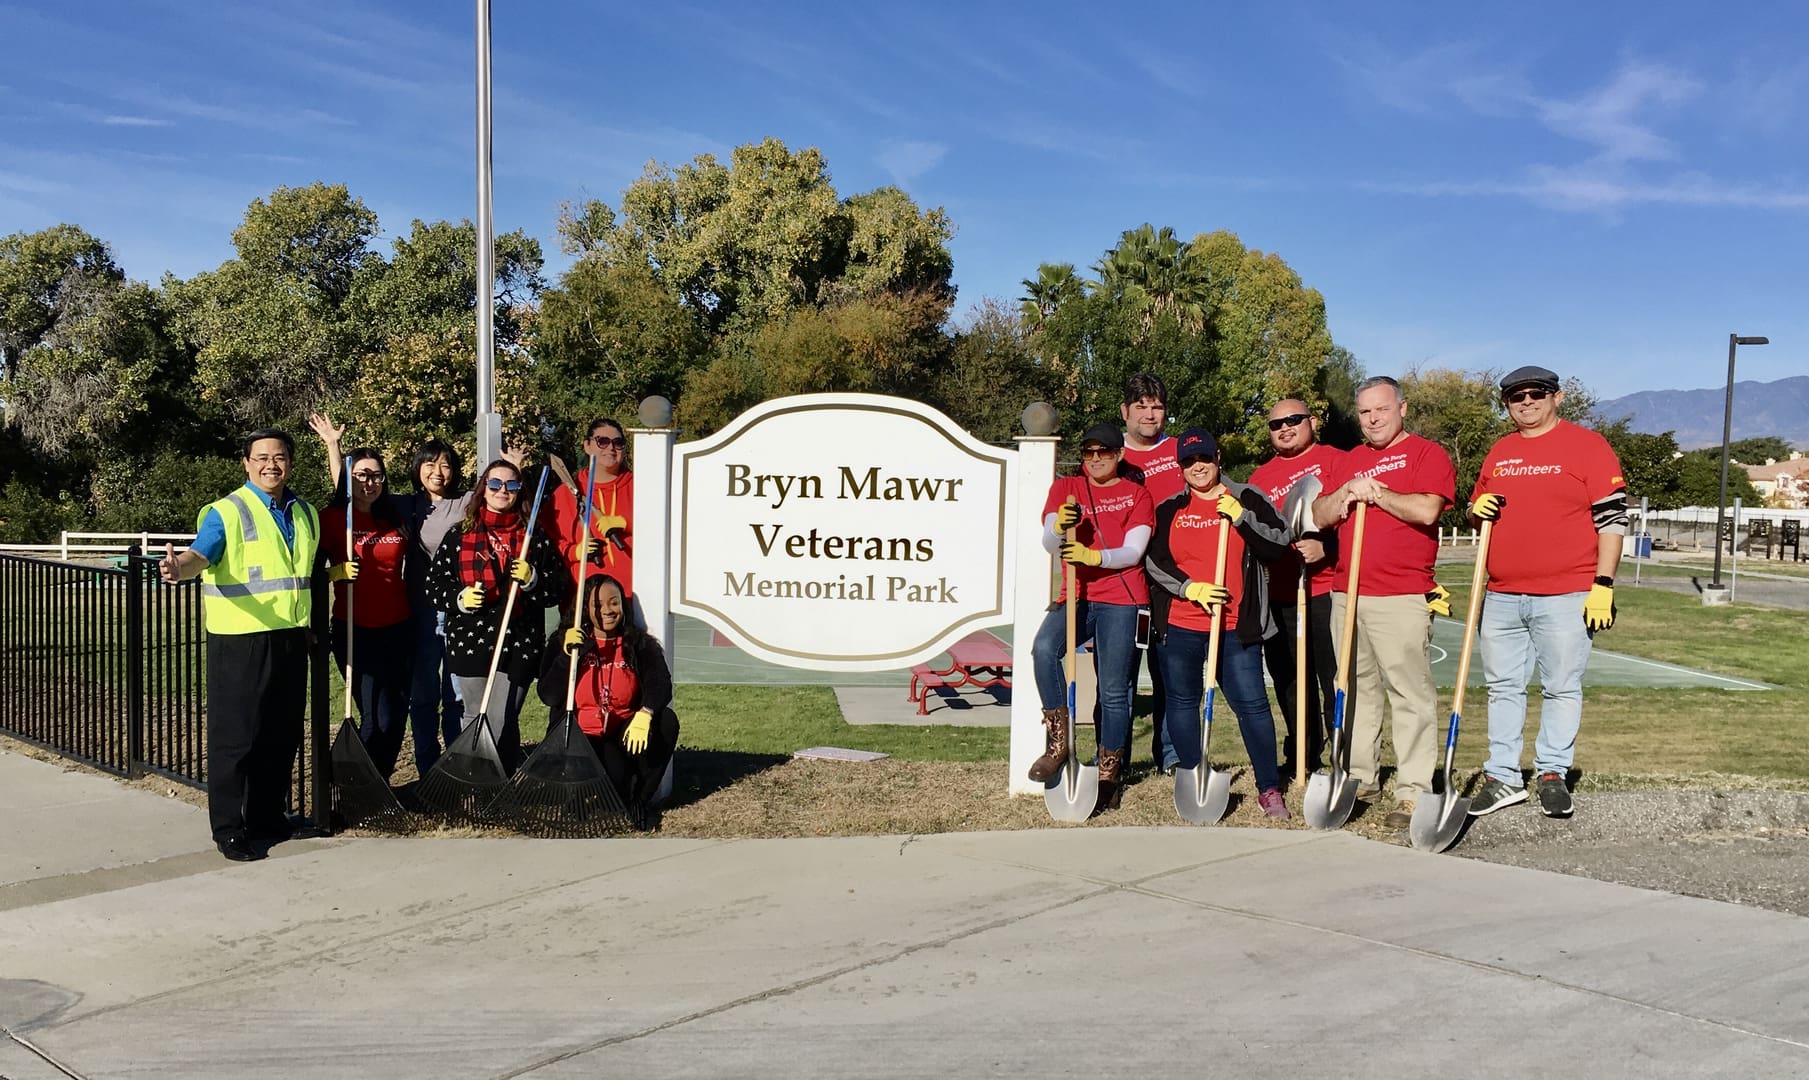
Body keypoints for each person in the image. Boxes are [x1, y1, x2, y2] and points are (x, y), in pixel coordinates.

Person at [1466, 366, 1627, 819]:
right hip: (1501, 594)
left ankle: (1552, 772)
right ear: (1507, 405)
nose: (1527, 402)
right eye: (1516, 397)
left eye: (1536, 394)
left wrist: (1603, 584)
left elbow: (1612, 520)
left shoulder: (1588, 446)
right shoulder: (1501, 452)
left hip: (1567, 593)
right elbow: (1481, 511)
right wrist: (1476, 510)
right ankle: (1502, 776)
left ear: (1556, 397)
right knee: (1502, 688)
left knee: (1560, 687)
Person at [158, 430, 320, 863]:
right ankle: (229, 829)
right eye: (262, 457)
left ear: (290, 462)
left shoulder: (304, 512)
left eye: (280, 457)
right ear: (246, 463)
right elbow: (201, 554)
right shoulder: (226, 511)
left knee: (281, 736)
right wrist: (180, 567)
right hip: (240, 641)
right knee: (236, 739)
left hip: (289, 637)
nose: (272, 465)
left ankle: (268, 819)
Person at [1311, 376, 1455, 830]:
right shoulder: (1349, 460)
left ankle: (1413, 789)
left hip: (1400, 595)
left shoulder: (1426, 455)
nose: (1373, 419)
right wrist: (1345, 493)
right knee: (1354, 689)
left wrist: (1380, 494)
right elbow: (1319, 515)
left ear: (1402, 409)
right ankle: (1360, 776)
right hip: (1347, 594)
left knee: (1409, 694)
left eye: (1382, 410)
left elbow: (1428, 510)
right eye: (1366, 412)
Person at [1145, 428, 1294, 818]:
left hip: (1236, 625)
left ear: (1218, 458)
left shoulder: (1246, 498)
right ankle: (1195, 774)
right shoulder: (1169, 509)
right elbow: (1154, 561)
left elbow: (1279, 544)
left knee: (1253, 705)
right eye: (1189, 462)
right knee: (1181, 702)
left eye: (1204, 459)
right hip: (1182, 623)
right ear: (1181, 466)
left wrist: (1242, 519)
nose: (1198, 467)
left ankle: (1269, 788)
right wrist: (1189, 588)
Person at [1026, 422, 1155, 810]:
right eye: (1088, 452)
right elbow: (1049, 540)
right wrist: (1059, 526)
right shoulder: (1066, 488)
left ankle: (1108, 772)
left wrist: (1094, 557)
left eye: (1104, 452)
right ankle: (1058, 743)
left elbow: (1134, 552)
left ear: (1119, 455)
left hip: (1123, 598)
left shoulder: (1137, 494)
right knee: (1044, 649)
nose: (1095, 459)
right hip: (1077, 594)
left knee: (1113, 691)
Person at [425, 459, 568, 771]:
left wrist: (532, 579)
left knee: (504, 717)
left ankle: (499, 782)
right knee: (474, 714)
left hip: (519, 640)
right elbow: (434, 588)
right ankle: (474, 781)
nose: (503, 490)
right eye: (495, 484)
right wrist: (459, 598)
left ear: (519, 492)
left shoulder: (535, 537)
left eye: (512, 485)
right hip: (470, 639)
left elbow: (555, 589)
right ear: (483, 490)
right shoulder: (460, 534)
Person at [1249, 398, 1346, 779]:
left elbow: (1356, 521)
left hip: (1326, 591)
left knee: (1333, 680)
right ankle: (1302, 757)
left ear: (1312, 421)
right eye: (1276, 424)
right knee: (1290, 682)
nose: (1285, 428)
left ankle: (1344, 758)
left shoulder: (1337, 460)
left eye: (1294, 420)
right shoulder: (1260, 478)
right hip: (1281, 597)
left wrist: (1328, 547)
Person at [539, 574, 680, 827]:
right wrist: (565, 656)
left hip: (620, 734)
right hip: (580, 738)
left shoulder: (638, 644)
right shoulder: (566, 641)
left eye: (614, 602)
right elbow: (548, 695)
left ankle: (638, 800)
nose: (607, 610)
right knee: (589, 791)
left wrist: (645, 713)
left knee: (666, 721)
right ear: (585, 609)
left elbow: (661, 684)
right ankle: (581, 796)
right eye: (598, 605)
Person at [320, 447, 413, 780]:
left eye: (376, 475)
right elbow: (309, 574)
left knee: (396, 715)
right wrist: (336, 573)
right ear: (349, 479)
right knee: (374, 716)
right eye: (361, 475)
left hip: (399, 629)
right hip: (355, 630)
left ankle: (379, 785)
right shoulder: (331, 519)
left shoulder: (394, 517)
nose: (369, 483)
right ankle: (348, 784)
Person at [1115, 373, 1182, 771]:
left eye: (1156, 406)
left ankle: (1171, 757)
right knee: (1118, 677)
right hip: (1121, 581)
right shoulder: (1110, 455)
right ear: (1125, 411)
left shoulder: (1180, 451)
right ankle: (1114, 757)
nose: (1149, 413)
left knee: (1170, 674)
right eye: (1141, 406)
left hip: (1170, 582)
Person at [551, 418, 635, 605]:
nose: (611, 448)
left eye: (618, 443)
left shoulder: (640, 488)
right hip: (583, 601)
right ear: (587, 445)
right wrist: (574, 552)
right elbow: (549, 545)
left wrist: (627, 523)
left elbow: (665, 528)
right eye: (602, 441)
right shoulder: (564, 493)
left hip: (634, 600)